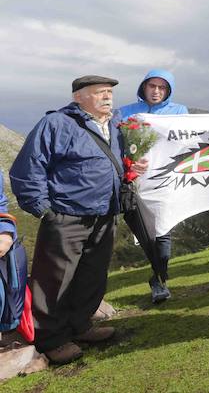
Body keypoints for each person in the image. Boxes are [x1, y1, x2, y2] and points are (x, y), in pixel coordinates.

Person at [9, 76, 148, 364]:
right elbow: (28, 167)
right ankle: (52, 338)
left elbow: (114, 162)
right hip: (67, 215)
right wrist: (45, 210)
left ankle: (80, 325)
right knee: (55, 280)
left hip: (104, 213)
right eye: (99, 93)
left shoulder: (114, 126)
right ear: (78, 97)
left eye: (109, 92)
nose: (107, 97)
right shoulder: (57, 124)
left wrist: (133, 167)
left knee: (92, 275)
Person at [118, 69, 188, 304]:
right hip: (134, 184)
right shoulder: (126, 112)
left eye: (162, 87)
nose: (156, 91)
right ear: (143, 87)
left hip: (165, 182)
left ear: (168, 91)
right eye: (152, 86)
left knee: (163, 232)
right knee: (144, 234)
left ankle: (160, 281)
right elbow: (116, 146)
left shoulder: (179, 112)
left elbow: (187, 142)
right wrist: (128, 165)